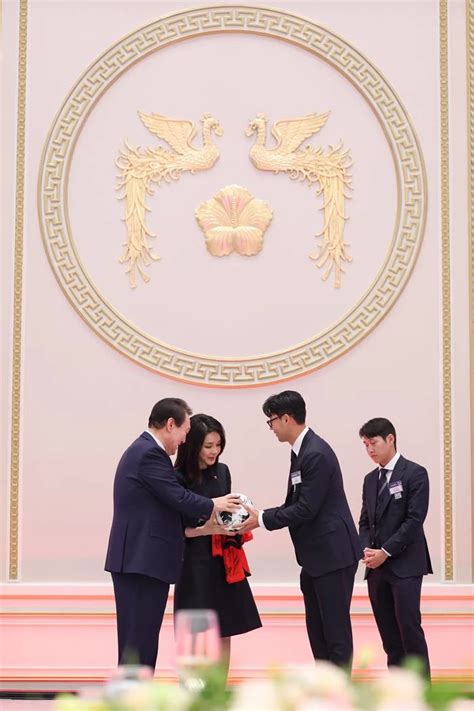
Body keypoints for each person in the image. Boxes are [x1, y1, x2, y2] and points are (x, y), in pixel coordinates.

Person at [104, 398, 241, 671]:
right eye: (184, 431)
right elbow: (177, 496)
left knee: (139, 641)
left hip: (141, 561)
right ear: (170, 425)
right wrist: (215, 504)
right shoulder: (149, 454)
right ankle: (134, 701)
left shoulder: (144, 451)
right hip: (140, 562)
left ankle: (135, 698)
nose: (184, 440)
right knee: (138, 642)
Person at [238, 390, 362, 669]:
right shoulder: (303, 451)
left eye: (271, 421)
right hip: (316, 558)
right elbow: (297, 503)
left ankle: (339, 696)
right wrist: (263, 515)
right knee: (318, 630)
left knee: (334, 632)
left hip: (333, 555)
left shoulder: (314, 453)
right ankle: (323, 687)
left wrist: (263, 519)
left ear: (286, 418)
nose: (270, 428)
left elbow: (307, 508)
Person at [174, 414, 262, 679]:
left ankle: (218, 694)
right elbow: (177, 529)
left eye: (218, 445)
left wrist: (242, 516)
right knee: (195, 632)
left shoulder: (222, 471)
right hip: (194, 564)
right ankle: (192, 696)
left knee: (226, 627)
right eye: (208, 446)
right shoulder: (178, 477)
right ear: (193, 446)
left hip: (224, 561)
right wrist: (205, 527)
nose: (215, 451)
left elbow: (228, 512)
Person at [358, 417, 432, 679]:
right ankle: (398, 693)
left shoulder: (415, 473)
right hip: (376, 569)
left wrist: (385, 552)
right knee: (389, 637)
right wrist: (367, 550)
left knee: (409, 630)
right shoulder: (370, 479)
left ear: (390, 439)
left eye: (373, 443)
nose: (370, 450)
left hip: (405, 566)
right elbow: (365, 521)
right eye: (365, 445)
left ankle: (422, 695)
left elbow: (414, 520)